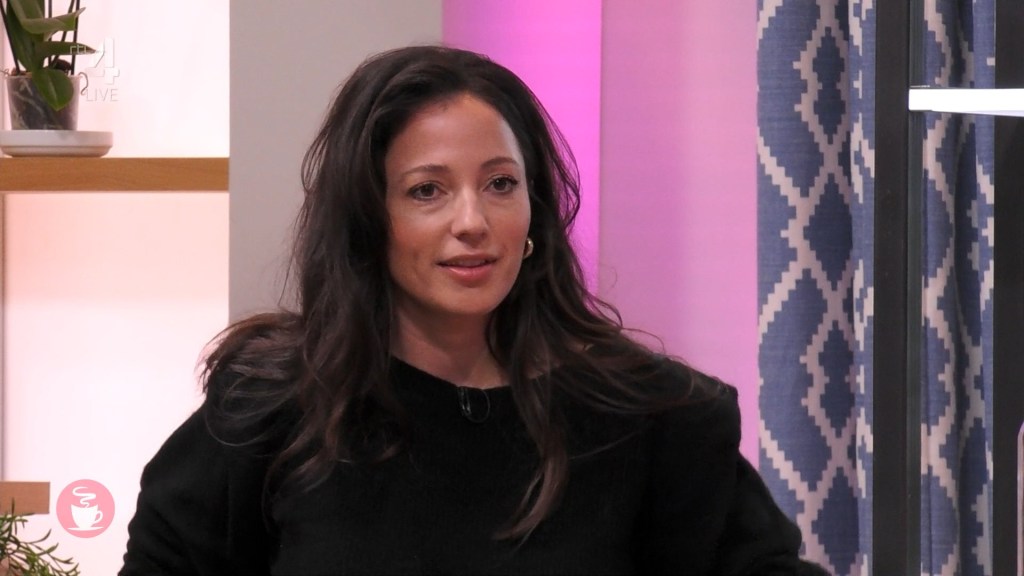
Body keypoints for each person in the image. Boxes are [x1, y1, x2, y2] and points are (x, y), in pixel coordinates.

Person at [120, 45, 828, 575]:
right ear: (368, 219)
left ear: (535, 208)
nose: (473, 222)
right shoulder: (270, 407)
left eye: (500, 184)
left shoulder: (654, 419)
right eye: (427, 191)